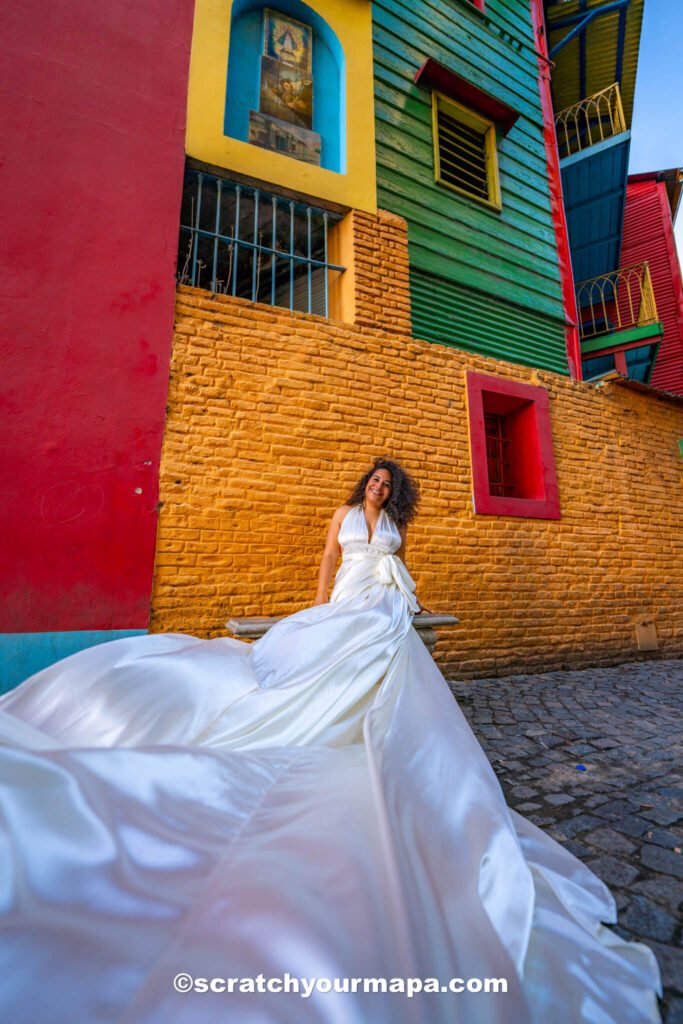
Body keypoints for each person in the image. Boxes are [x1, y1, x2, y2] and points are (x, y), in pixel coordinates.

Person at [0, 458, 662, 1023]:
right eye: (371, 481)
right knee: (325, 648)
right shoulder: (341, 517)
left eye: (384, 483)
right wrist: (316, 607)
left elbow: (401, 568)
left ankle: (372, 715)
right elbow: (326, 562)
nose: (376, 489)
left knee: (388, 639)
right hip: (343, 600)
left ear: (391, 492)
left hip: (381, 604)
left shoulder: (396, 527)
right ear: (362, 486)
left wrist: (409, 596)